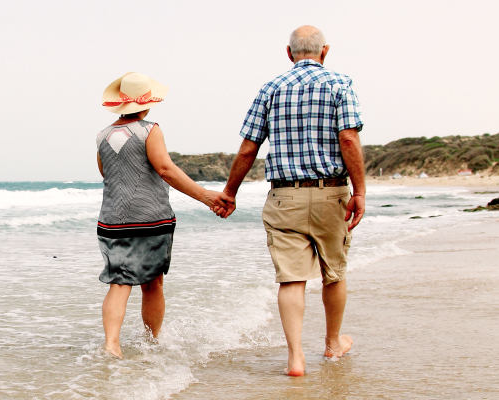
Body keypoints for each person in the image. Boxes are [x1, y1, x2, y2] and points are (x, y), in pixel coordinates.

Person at [219, 25, 365, 376]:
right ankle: (332, 345)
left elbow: (249, 147)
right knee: (334, 273)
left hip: (285, 196)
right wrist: (359, 190)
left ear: (289, 53)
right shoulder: (340, 84)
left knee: (291, 279)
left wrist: (230, 193)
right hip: (331, 192)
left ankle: (296, 357)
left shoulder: (271, 88)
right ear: (324, 51)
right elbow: (348, 140)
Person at [96, 72, 231, 359]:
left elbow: (108, 175)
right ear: (146, 104)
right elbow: (166, 170)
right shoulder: (149, 129)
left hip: (111, 220)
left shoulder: (102, 136)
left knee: (119, 282)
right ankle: (153, 341)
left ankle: (112, 344)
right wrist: (207, 196)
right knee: (153, 282)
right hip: (150, 219)